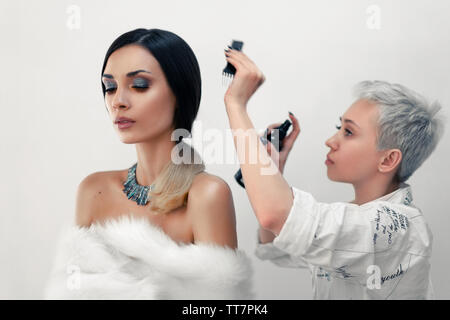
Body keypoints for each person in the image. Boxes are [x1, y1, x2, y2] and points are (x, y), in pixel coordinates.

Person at [43, 28, 253, 299]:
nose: (118, 101)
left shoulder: (207, 195)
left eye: (139, 85)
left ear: (180, 94)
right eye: (110, 87)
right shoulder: (93, 190)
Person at [223, 47, 445, 299]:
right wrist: (272, 171)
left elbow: (275, 217)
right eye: (339, 127)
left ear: (388, 159)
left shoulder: (398, 229)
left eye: (348, 132)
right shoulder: (352, 217)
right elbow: (277, 246)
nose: (330, 141)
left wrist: (235, 104)